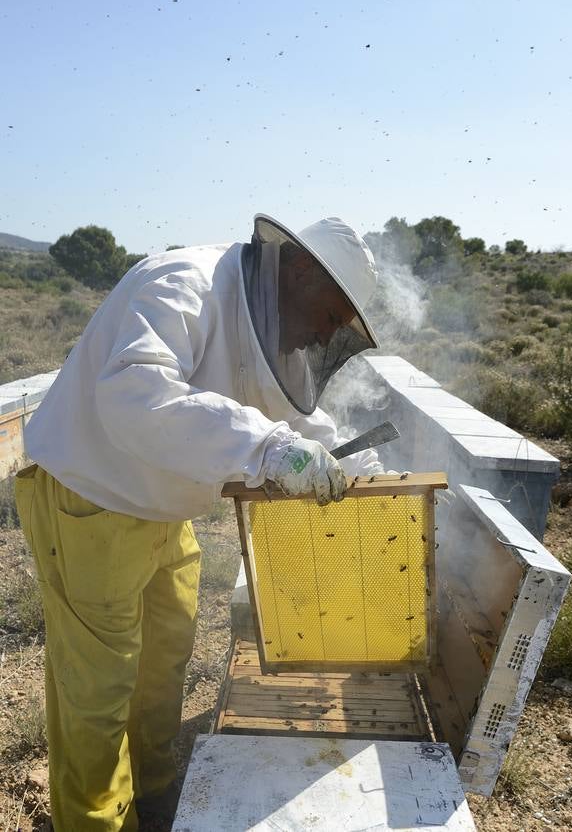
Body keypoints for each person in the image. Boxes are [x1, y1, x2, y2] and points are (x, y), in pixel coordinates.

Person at [14, 213, 383, 831]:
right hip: (94, 499)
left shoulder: (269, 318)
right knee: (97, 695)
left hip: (165, 509)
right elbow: (134, 393)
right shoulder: (182, 282)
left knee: (162, 666)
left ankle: (156, 801)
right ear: (300, 269)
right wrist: (264, 448)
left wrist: (348, 456)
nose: (324, 337)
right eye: (330, 316)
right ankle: (95, 824)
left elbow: (279, 410)